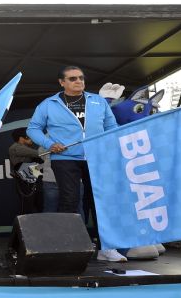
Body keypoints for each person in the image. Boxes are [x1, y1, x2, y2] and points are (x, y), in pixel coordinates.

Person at [26, 66, 127, 262]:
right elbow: (33, 129)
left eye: (81, 78)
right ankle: (69, 246)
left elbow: (111, 127)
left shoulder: (97, 101)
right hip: (65, 158)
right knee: (69, 200)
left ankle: (106, 248)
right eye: (72, 79)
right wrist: (49, 143)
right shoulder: (49, 104)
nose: (78, 81)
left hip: (97, 157)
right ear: (62, 82)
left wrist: (107, 145)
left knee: (101, 202)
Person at [8, 127, 43, 215]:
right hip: (25, 182)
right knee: (27, 205)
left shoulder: (23, 148)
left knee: (36, 203)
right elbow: (39, 154)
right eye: (29, 137)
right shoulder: (16, 147)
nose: (32, 139)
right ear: (21, 138)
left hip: (31, 180)